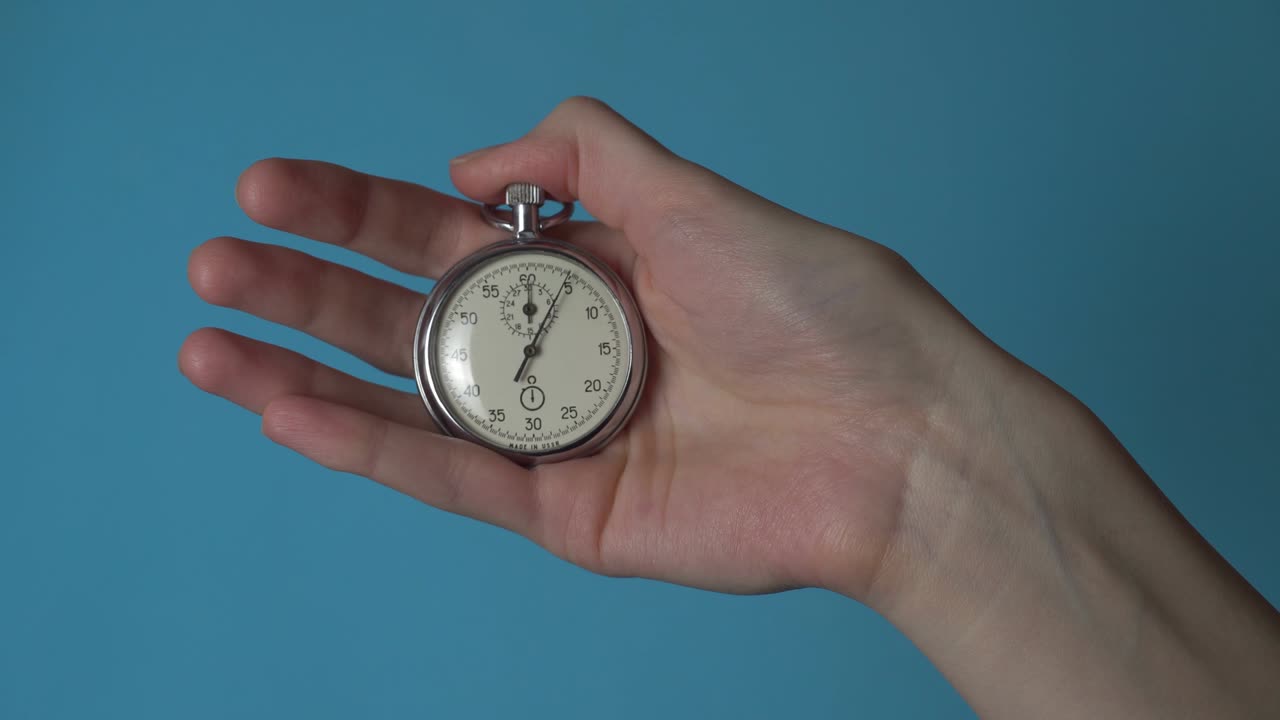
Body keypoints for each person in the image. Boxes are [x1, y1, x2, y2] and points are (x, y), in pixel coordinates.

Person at [180, 97, 1280, 718]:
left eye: (547, 320)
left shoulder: (582, 301)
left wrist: (915, 474)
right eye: (523, 321)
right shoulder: (499, 308)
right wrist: (928, 493)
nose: (529, 329)